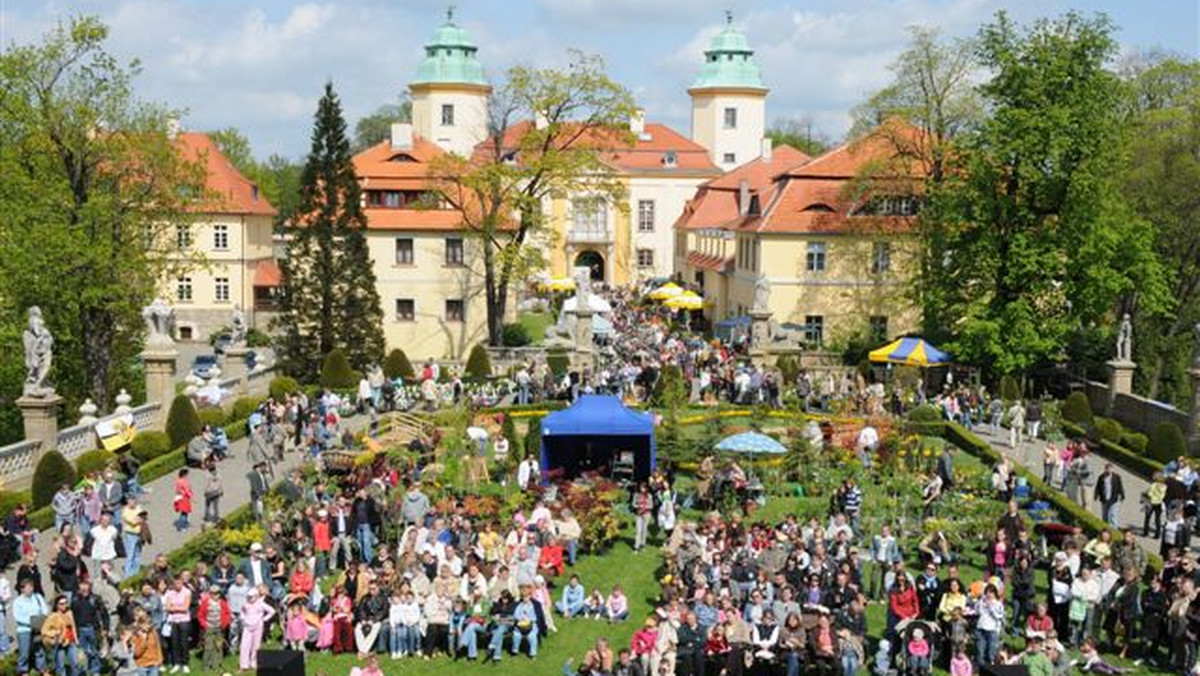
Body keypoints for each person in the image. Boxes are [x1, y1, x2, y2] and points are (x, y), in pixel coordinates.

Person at [13, 578, 47, 675]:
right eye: (27, 587)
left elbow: (44, 610)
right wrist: (31, 621)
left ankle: (42, 669)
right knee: (24, 652)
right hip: (24, 630)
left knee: (39, 650)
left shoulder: (37, 597)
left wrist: (39, 620)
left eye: (31, 587)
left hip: (37, 628)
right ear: (22, 589)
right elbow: (18, 617)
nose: (30, 589)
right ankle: (23, 671)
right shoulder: (18, 601)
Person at [239, 587, 276, 671]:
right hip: (247, 627)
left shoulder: (261, 604)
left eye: (251, 597)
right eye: (248, 597)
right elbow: (242, 612)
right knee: (244, 645)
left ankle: (254, 663)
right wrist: (243, 619)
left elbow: (272, 611)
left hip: (258, 627)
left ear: (256, 596)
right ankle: (243, 665)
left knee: (256, 645)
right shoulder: (246, 604)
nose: (250, 598)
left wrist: (263, 619)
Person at [42, 594, 79, 676]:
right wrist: (55, 633)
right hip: (60, 642)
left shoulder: (69, 613)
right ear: (57, 605)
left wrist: (76, 638)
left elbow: (73, 626)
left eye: (65, 603)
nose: (64, 606)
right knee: (60, 666)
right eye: (61, 604)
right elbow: (44, 630)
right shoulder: (53, 616)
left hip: (70, 641)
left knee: (75, 663)